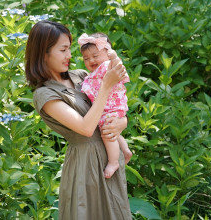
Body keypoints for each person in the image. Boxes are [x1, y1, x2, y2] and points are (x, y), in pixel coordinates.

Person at [26, 21, 132, 220]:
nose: (69, 55)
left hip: (109, 158)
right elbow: (85, 128)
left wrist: (122, 122)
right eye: (63, 50)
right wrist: (106, 86)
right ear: (43, 53)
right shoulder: (45, 94)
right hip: (87, 165)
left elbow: (112, 106)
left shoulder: (82, 77)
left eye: (69, 49)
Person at [78, 32, 133, 179]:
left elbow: (117, 67)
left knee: (107, 132)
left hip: (112, 106)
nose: (91, 60)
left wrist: (114, 58)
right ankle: (125, 149)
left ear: (108, 54)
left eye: (95, 56)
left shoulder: (107, 66)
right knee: (112, 130)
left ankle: (113, 161)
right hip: (109, 108)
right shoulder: (92, 74)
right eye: (86, 58)